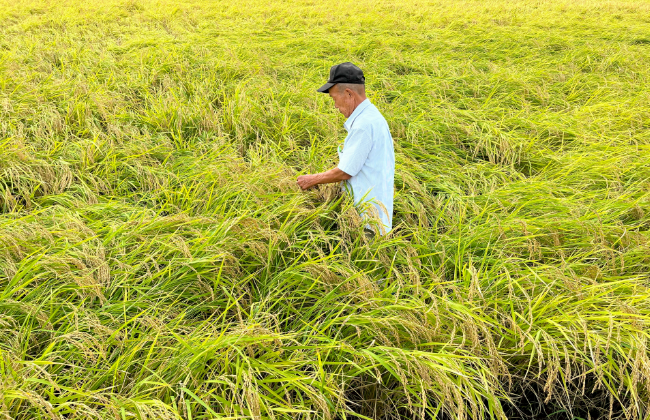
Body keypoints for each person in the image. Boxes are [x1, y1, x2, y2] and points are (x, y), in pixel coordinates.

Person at [296, 62, 395, 236]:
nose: (335, 105)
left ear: (349, 94)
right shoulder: (371, 117)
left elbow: (345, 172)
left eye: (335, 99)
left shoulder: (364, 125)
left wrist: (311, 180)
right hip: (373, 216)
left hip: (367, 222)